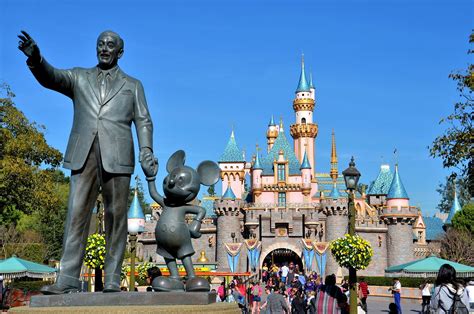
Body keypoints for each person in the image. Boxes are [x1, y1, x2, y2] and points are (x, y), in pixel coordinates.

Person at [17, 30, 156, 294]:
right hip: (84, 154)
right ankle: (68, 277)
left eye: (110, 45)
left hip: (118, 155)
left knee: (116, 218)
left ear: (120, 52)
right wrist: (36, 59)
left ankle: (113, 277)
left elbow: (144, 120)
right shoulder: (79, 77)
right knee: (76, 214)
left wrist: (146, 149)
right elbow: (52, 77)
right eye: (100, 44)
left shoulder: (133, 85)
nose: (104, 49)